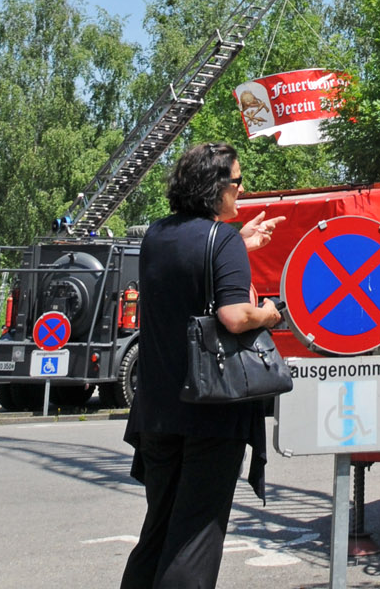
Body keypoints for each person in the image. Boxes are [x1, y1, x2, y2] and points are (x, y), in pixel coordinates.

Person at [120, 141, 285, 589]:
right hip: (210, 409)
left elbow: (188, 268)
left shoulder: (156, 235)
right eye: (237, 181)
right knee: (193, 539)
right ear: (215, 187)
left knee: (157, 532)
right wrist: (268, 314)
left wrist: (239, 243)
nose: (242, 189)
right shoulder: (222, 240)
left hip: (157, 410)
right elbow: (233, 316)